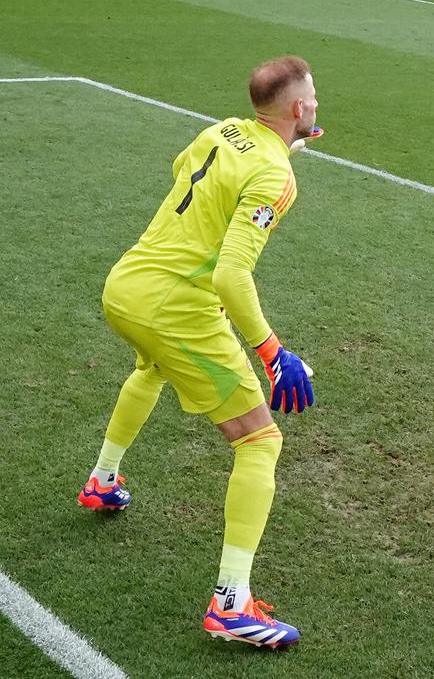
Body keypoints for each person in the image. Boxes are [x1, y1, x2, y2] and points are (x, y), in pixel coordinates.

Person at [78, 56, 323, 647]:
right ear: (296, 109)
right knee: (260, 440)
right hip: (176, 306)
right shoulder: (275, 177)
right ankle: (231, 604)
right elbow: (232, 277)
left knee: (151, 368)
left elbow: (186, 173)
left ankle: (102, 480)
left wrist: (278, 148)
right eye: (311, 98)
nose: (316, 104)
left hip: (126, 286)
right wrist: (273, 353)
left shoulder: (221, 130)